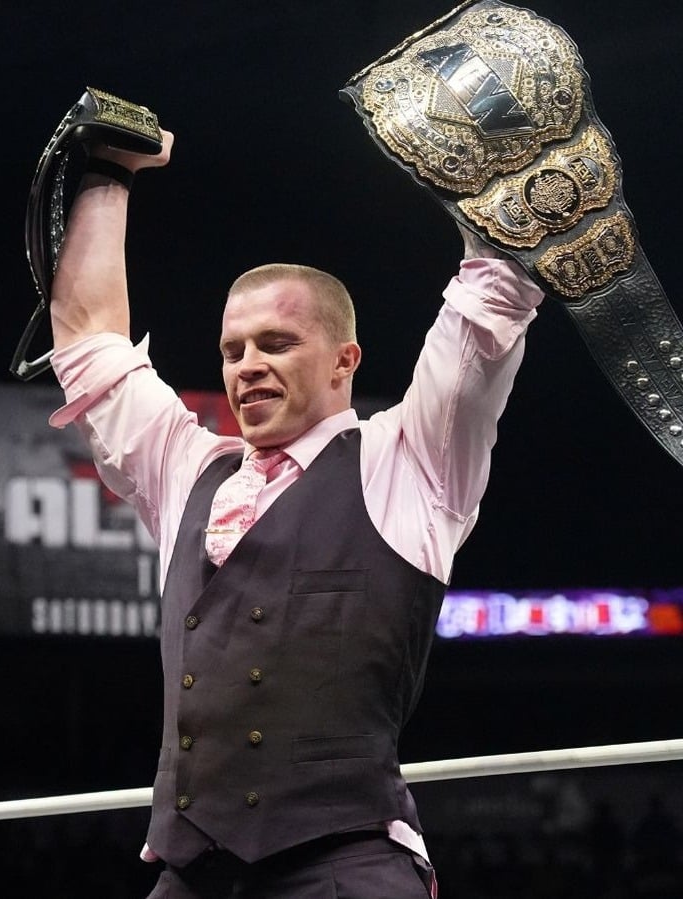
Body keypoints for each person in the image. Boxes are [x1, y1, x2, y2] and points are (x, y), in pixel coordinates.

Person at [47, 127, 543, 898]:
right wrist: (109, 171)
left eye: (276, 343)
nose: (249, 366)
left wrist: (503, 155)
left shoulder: (408, 462)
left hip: (345, 864)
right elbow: (89, 345)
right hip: (192, 869)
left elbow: (490, 305)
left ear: (345, 360)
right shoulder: (188, 469)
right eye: (234, 349)